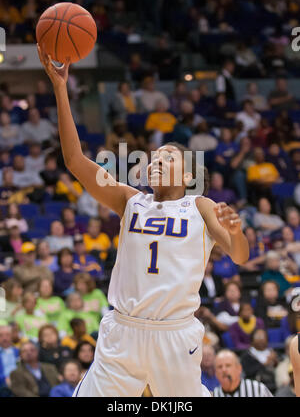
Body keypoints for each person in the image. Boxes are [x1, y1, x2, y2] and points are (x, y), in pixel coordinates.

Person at [37, 44, 249, 397]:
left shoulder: (200, 205)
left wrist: (236, 232)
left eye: (168, 156)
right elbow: (75, 160)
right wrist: (60, 89)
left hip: (175, 336)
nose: (157, 160)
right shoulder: (130, 201)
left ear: (189, 174)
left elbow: (240, 256)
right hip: (124, 331)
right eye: (154, 157)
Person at [240, 328, 278, 394]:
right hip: (254, 388)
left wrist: (275, 362)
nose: (261, 339)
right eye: (258, 337)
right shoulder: (247, 355)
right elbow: (249, 372)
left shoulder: (273, 353)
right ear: (252, 340)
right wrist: (265, 363)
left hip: (274, 386)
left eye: (263, 337)